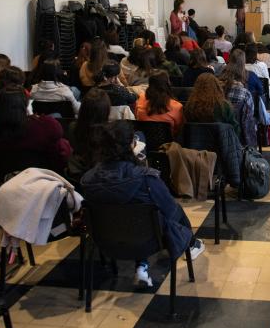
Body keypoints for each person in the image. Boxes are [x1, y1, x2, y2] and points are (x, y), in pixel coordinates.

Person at [81, 121, 203, 288]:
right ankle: (192, 244)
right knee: (170, 211)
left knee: (136, 214)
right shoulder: (146, 178)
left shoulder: (88, 179)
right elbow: (169, 210)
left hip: (105, 242)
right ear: (132, 144)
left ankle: (142, 265)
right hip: (150, 241)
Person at [0, 88, 72, 170]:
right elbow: (59, 133)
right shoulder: (45, 125)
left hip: (5, 177)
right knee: (62, 143)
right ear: (26, 104)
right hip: (42, 177)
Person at [65, 89, 111, 184]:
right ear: (106, 111)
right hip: (100, 179)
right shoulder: (110, 133)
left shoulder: (72, 128)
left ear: (83, 107)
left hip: (77, 177)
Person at [219, 49, 257, 146]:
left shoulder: (218, 86)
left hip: (218, 133)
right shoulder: (245, 93)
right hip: (239, 135)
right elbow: (250, 115)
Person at [136, 72, 184, 136]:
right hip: (169, 144)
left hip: (144, 142)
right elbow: (178, 130)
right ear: (167, 85)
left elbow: (137, 118)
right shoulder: (177, 107)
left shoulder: (140, 98)